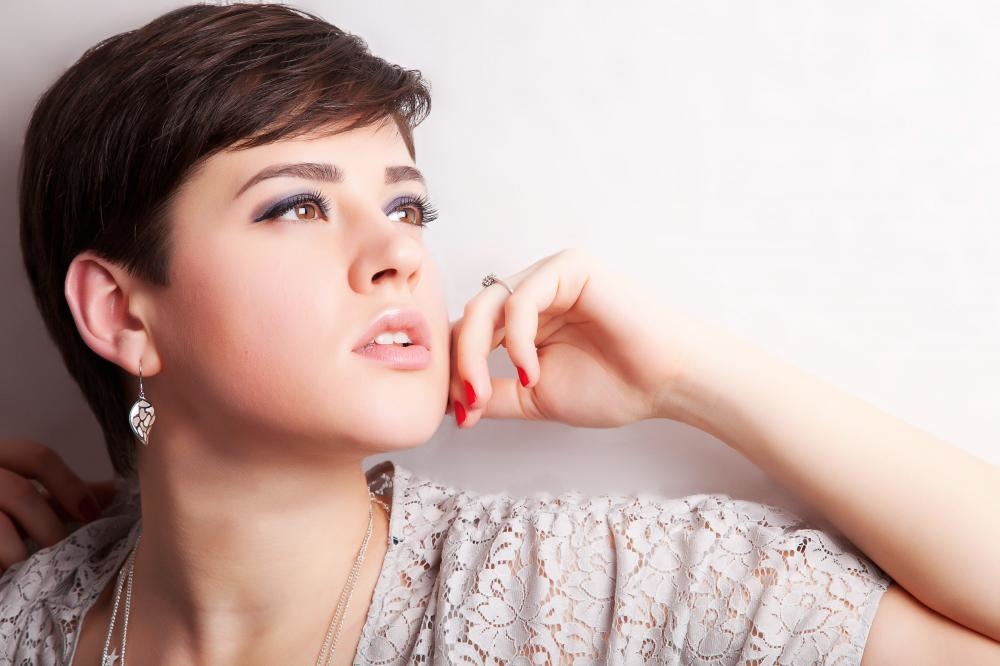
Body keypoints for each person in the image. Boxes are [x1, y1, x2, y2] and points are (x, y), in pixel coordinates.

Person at [1, 3, 997, 664]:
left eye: (408, 207)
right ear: (122, 312)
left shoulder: (580, 592)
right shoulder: (26, 622)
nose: (397, 254)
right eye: (297, 206)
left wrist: (687, 377)